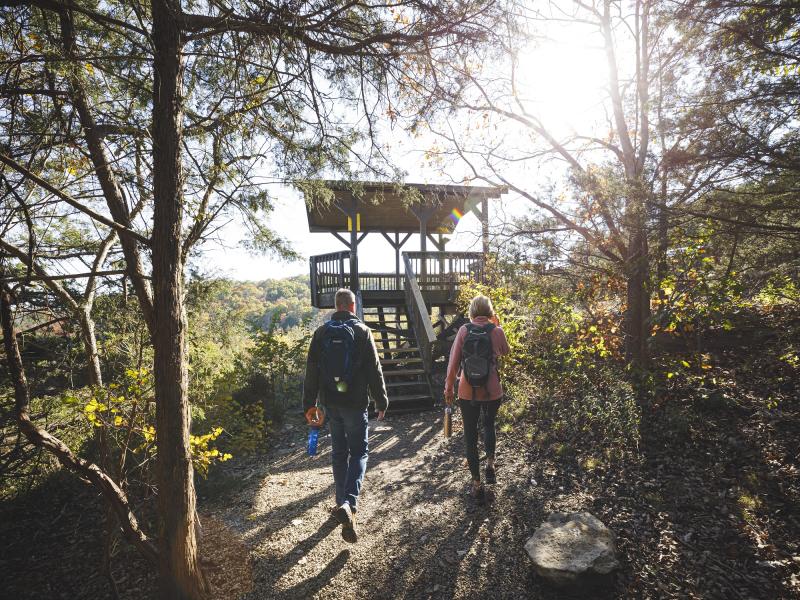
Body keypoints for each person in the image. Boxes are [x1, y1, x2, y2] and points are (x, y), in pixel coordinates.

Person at [303, 288, 388, 543]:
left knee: (339, 453)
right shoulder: (362, 331)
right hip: (355, 403)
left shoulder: (321, 333)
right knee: (359, 452)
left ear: (336, 306)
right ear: (352, 307)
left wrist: (309, 406)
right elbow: (374, 368)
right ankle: (349, 503)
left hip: (330, 404)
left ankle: (341, 501)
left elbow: (311, 373)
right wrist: (381, 400)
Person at [444, 294, 510, 501]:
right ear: (490, 312)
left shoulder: (464, 330)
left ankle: (477, 484)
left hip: (467, 390)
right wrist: (497, 326)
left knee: (470, 435)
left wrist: (449, 388)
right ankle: (490, 464)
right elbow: (505, 352)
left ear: (472, 311)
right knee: (489, 424)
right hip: (492, 390)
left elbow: (453, 363)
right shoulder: (496, 331)